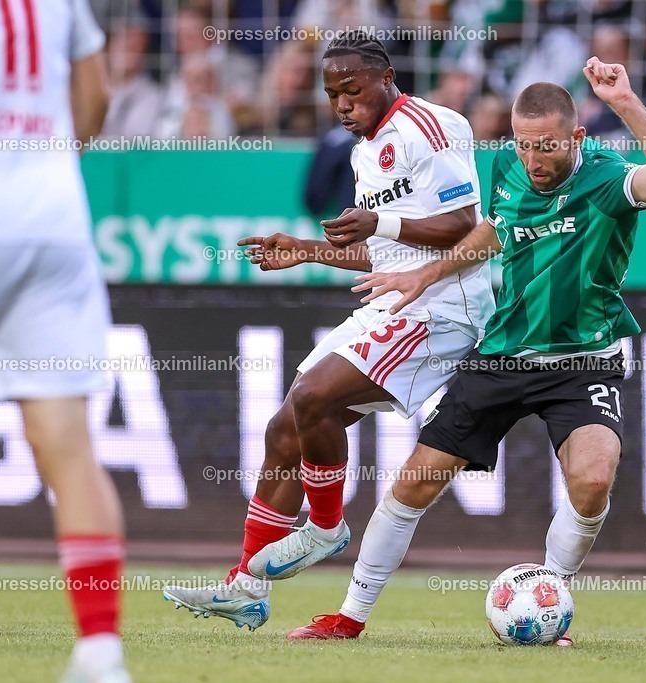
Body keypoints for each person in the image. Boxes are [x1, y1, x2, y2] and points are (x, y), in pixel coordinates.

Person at [281, 56, 646, 641]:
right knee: (414, 483)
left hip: (583, 362)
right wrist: (424, 275)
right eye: (524, 145)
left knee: (593, 479)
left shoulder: (608, 179)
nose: (533, 159)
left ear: (577, 136)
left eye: (547, 146)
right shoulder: (505, 166)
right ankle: (348, 617)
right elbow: (492, 231)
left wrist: (625, 102)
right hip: (502, 354)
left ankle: (550, 597)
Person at [162, 32, 494, 631]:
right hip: (392, 302)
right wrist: (307, 250)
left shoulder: (431, 126)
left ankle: (325, 526)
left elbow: (463, 226)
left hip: (442, 309)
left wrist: (380, 221)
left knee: (314, 396)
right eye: (332, 94)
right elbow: (384, 250)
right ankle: (245, 588)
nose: (342, 104)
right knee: (286, 426)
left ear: (387, 77)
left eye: (352, 90)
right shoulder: (364, 151)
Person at [0, 2, 127, 682]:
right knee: (69, 446)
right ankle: (101, 654)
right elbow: (95, 95)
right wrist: (40, 168)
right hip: (54, 220)